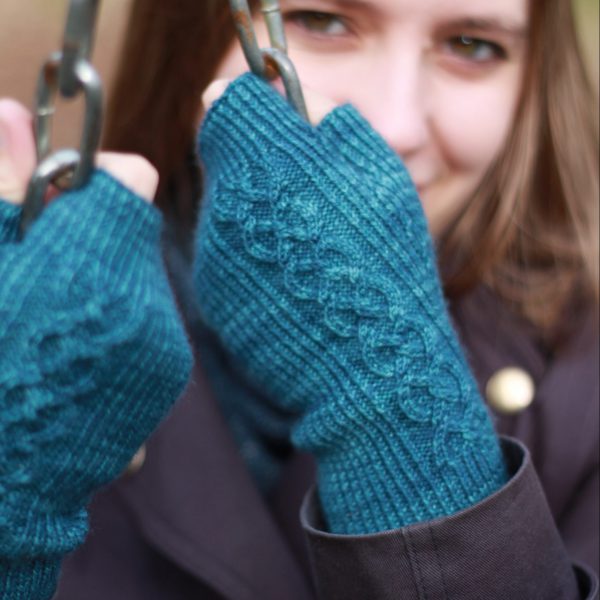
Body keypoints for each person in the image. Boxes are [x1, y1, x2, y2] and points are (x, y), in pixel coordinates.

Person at [0, 0, 597, 598]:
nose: (393, 126)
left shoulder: (585, 390)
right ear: (187, 40)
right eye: (322, 21)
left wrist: (390, 393)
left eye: (470, 45)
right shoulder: (33, 309)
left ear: (534, 81)